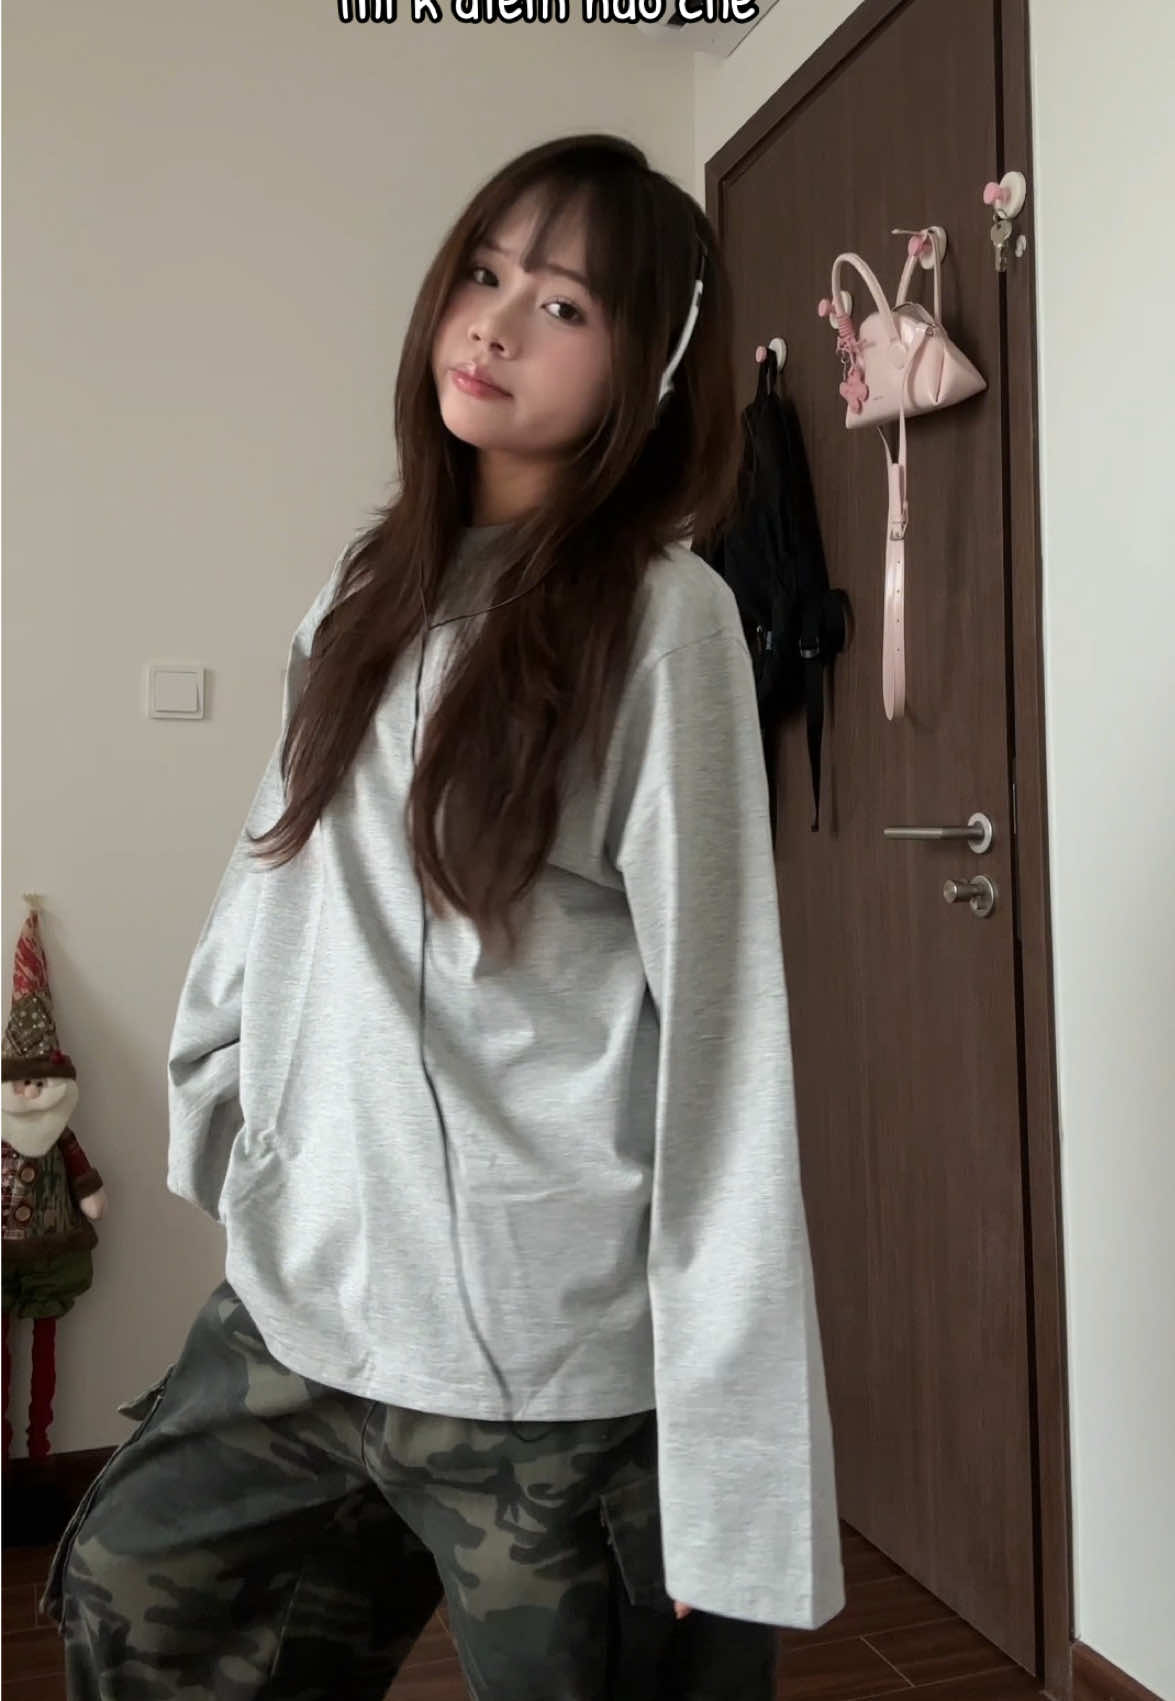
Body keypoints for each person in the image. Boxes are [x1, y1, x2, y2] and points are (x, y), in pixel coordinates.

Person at [44, 133, 844, 1700]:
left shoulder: (662, 621)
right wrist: (233, 1125)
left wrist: (726, 1464)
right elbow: (272, 874)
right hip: (306, 1304)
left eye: (564, 305)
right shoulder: (364, 586)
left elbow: (725, 1038)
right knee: (132, 1602)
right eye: (485, 272)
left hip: (544, 1369)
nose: (494, 322)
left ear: (646, 367)